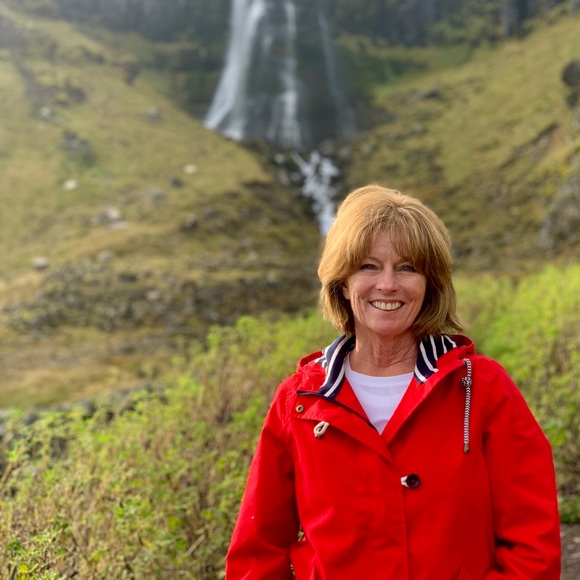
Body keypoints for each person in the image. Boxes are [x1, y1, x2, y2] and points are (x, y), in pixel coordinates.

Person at [225, 185, 561, 579]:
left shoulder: (481, 387)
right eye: (368, 266)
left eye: (407, 268)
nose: (388, 284)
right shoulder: (298, 402)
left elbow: (533, 543)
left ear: (430, 284)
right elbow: (257, 552)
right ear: (342, 282)